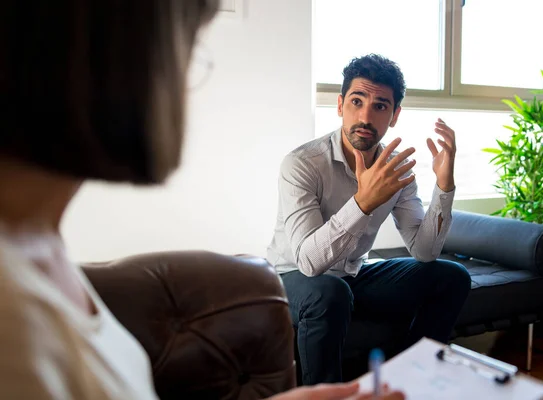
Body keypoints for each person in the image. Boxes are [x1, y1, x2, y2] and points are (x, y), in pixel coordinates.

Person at [0, 1, 404, 399]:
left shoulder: (39, 250)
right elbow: (308, 263)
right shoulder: (12, 316)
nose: (187, 83)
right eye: (187, 48)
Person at [267, 54, 472, 385]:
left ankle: (406, 381)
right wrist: (363, 203)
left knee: (451, 276)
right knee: (329, 291)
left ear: (394, 116)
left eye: (379, 106)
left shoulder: (395, 169)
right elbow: (308, 263)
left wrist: (444, 186)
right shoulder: (302, 164)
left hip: (350, 277)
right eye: (357, 101)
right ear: (339, 105)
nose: (365, 116)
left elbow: (424, 252)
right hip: (290, 278)